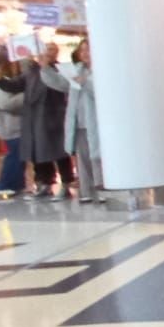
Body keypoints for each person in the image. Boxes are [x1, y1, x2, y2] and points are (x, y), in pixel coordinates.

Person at [0, 41, 75, 200]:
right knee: (38, 154)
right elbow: (14, 85)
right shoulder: (31, 72)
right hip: (34, 120)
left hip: (54, 119)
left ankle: (66, 184)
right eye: (47, 49)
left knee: (59, 153)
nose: (49, 53)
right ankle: (44, 183)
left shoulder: (59, 71)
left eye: (53, 50)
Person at [65, 37, 104, 203]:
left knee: (98, 157)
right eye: (82, 50)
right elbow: (60, 84)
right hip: (79, 123)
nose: (85, 53)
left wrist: (85, 83)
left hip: (95, 122)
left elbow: (101, 94)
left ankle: (102, 189)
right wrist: (45, 69)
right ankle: (87, 191)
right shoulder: (77, 71)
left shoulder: (101, 70)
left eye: (88, 49)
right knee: (83, 159)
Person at [0, 54, 26, 199]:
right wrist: (26, 96)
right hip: (11, 126)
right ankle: (4, 184)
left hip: (6, 125)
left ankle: (16, 184)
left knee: (17, 155)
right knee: (15, 156)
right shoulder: (3, 82)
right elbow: (6, 104)